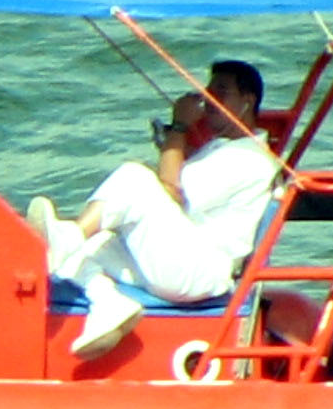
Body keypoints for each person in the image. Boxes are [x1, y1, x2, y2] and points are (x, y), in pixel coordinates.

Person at [27, 59, 278, 357]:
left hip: (202, 272)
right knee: (89, 248)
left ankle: (68, 236)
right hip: (185, 257)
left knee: (133, 177)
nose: (208, 98)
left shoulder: (249, 159)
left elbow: (172, 192)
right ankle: (107, 303)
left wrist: (180, 127)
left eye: (220, 92)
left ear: (246, 102)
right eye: (208, 89)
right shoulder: (221, 148)